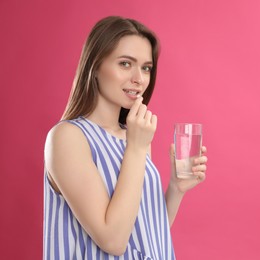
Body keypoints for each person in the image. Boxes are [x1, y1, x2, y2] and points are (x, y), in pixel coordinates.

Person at [43, 16, 208, 260]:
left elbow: (146, 232)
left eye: (146, 68)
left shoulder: (133, 138)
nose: (139, 79)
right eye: (125, 64)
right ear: (95, 66)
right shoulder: (68, 137)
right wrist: (137, 149)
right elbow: (114, 240)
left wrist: (176, 189)